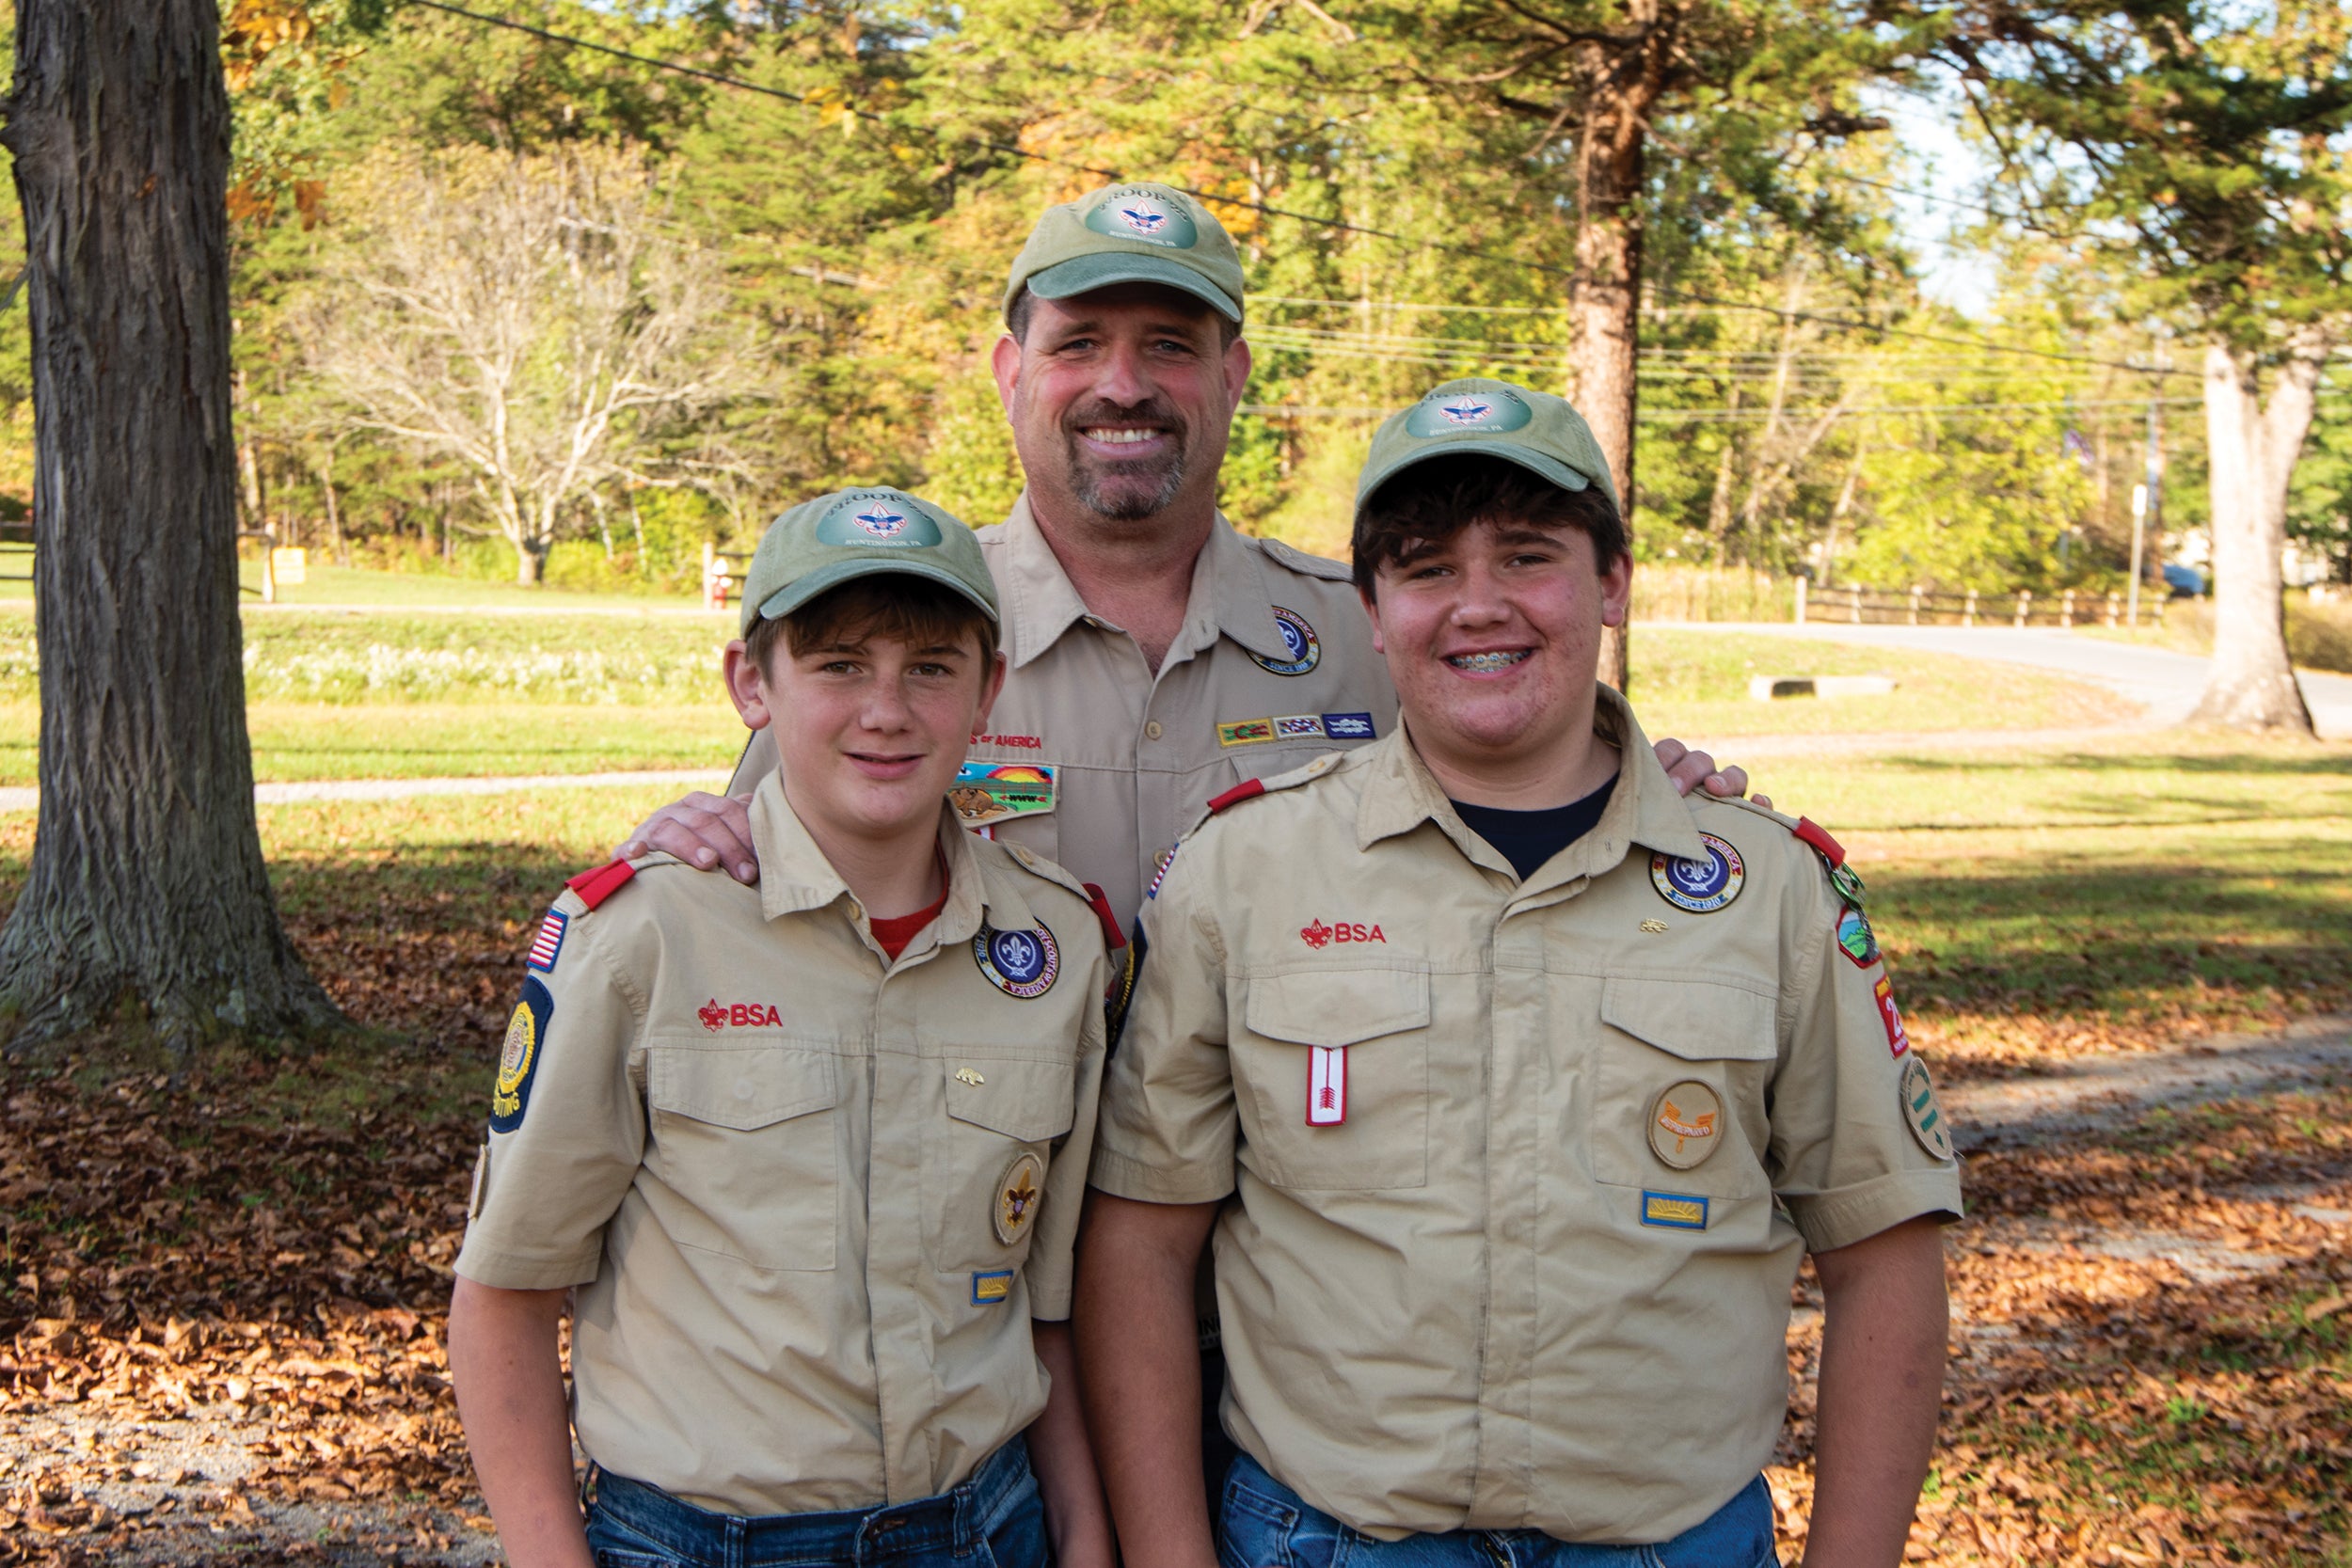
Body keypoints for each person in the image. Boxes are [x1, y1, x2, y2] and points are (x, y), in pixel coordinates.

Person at [1075, 378, 1963, 1568]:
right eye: (1427, 566)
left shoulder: (1769, 890)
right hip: (1324, 1539)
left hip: (1668, 1542)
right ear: (1373, 609)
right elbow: (1139, 1236)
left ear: (1610, 584)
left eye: (1529, 556)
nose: (1477, 606)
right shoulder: (1243, 870)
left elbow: (1884, 1250)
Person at [620, 182, 1756, 933]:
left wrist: (1647, 788)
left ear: (1234, 375)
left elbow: (1532, 790)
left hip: (1300, 1245)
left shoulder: (1368, 635)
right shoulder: (895, 634)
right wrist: (688, 848)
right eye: (1080, 346)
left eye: (1169, 344)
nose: (1124, 384)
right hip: (981, 1243)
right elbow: (757, 892)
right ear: (1012, 374)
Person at [447, 486, 1117, 1568]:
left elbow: (1043, 1306)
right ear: (751, 682)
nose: (886, 709)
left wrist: (1084, 1534)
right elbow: (504, 1293)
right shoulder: (642, 937)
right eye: (840, 662)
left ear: (990, 689)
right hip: (710, 1539)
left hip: (987, 1525)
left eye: (931, 667)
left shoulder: (1054, 946)